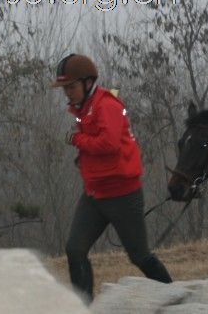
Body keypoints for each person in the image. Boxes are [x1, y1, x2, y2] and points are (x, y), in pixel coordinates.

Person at [51, 54, 172, 303]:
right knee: (75, 249)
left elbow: (108, 144)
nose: (67, 93)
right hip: (94, 195)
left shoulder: (108, 105)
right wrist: (83, 156)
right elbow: (97, 147)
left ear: (88, 83)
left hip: (123, 196)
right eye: (65, 88)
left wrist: (77, 140)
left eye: (71, 87)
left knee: (139, 256)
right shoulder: (83, 109)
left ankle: (175, 294)